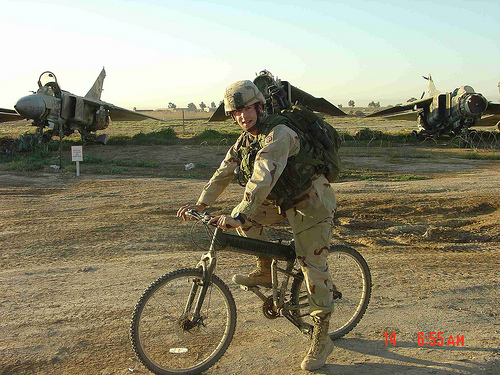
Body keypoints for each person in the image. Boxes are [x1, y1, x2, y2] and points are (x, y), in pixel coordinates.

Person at [177, 80, 337, 371]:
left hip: (310, 201)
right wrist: (200, 205)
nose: (242, 116)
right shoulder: (245, 140)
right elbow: (223, 172)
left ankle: (322, 337)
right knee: (243, 221)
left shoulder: (280, 134)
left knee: (311, 266)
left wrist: (240, 213)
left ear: (259, 107)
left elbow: (262, 176)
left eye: (247, 109)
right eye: (236, 112)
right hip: (280, 201)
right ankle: (265, 270)